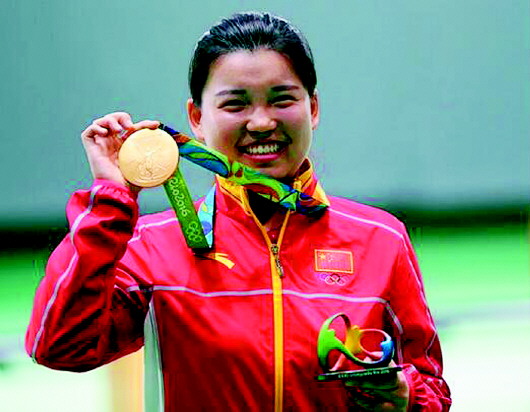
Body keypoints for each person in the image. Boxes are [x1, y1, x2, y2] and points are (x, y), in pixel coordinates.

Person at [26, 11, 451, 411]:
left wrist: (406, 396)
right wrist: (110, 202)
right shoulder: (153, 246)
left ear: (313, 108)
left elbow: (432, 388)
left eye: (282, 100)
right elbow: (59, 346)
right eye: (235, 104)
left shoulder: (380, 238)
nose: (261, 122)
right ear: (196, 118)